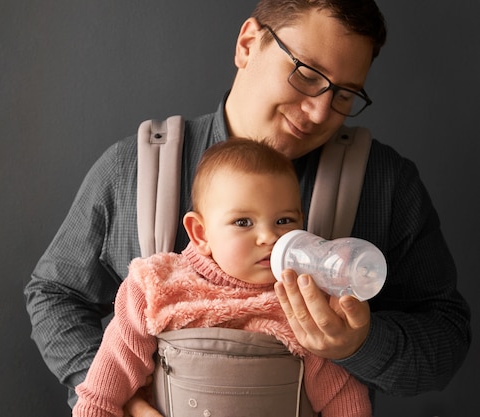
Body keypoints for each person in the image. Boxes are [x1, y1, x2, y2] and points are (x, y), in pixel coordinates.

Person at [25, 1, 471, 415]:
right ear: (247, 44)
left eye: (343, 95)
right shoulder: (135, 169)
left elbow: (446, 338)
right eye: (307, 73)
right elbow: (54, 295)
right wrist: (116, 398)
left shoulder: (384, 183)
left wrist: (360, 343)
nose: (318, 112)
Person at [73, 139, 371, 417]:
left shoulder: (304, 302)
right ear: (200, 233)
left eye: (284, 220)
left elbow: (341, 397)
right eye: (243, 222)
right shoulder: (156, 287)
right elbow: (104, 388)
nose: (269, 236)